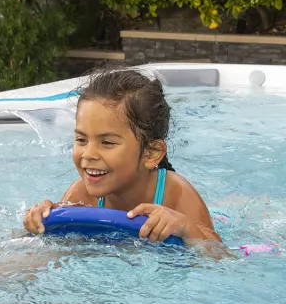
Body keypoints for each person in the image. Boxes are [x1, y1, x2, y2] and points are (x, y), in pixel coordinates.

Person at [22, 69, 220, 245]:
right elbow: (57, 245)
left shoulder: (176, 193)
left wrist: (184, 227)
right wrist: (38, 221)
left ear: (151, 153)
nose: (89, 154)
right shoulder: (81, 194)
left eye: (107, 142)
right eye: (81, 139)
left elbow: (220, 257)